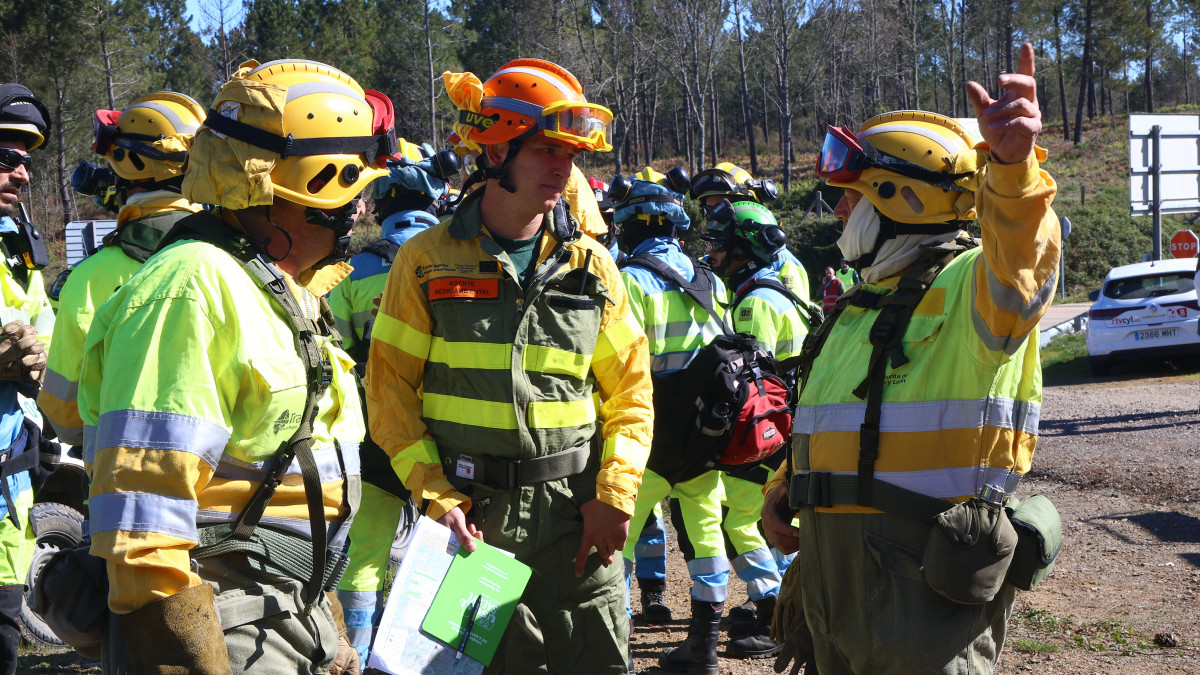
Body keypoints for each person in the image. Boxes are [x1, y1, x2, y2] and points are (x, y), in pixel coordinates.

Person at [77, 58, 397, 674]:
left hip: (283, 608)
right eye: (357, 187)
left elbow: (288, 473)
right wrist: (181, 657)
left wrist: (325, 620)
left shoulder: (278, 289)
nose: (363, 207)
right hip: (227, 617)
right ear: (315, 186)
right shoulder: (192, 286)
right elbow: (144, 509)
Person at [762, 43, 1059, 674]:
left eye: (853, 195)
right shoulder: (862, 303)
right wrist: (784, 487)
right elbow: (833, 418)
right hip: (832, 585)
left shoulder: (972, 288)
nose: (839, 210)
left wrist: (1014, 172)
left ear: (901, 198)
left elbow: (1022, 267)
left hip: (917, 599)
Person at [368, 59, 653, 673]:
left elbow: (631, 394)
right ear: (496, 150)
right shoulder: (424, 261)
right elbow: (389, 392)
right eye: (547, 149)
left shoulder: (593, 266)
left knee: (596, 660)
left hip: (575, 517)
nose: (563, 168)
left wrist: (616, 495)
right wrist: (436, 495)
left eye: (570, 154)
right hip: (473, 519)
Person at [329, 136, 455, 664]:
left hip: (376, 431)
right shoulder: (463, 261)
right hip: (457, 434)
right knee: (455, 551)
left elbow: (329, 354)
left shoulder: (349, 274)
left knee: (365, 556)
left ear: (380, 210)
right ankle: (439, 660)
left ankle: (356, 655)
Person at [612, 168, 730, 673]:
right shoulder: (710, 278)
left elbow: (619, 368)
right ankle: (703, 645)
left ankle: (614, 642)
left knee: (618, 539)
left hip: (648, 433)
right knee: (707, 536)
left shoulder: (627, 281)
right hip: (705, 432)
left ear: (629, 228)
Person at [40, 92, 206, 448]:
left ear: (127, 168)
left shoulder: (90, 278)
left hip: (119, 484)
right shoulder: (241, 257)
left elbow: (67, 417)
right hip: (242, 490)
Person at [701, 199, 813, 660]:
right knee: (777, 522)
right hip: (793, 428)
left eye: (718, 247)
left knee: (743, 522)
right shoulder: (776, 291)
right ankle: (791, 605)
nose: (710, 255)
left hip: (769, 433)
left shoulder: (753, 304)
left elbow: (753, 386)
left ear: (743, 252)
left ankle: (776, 609)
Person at [0, 83, 54, 675]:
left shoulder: (17, 249)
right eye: (5, 158)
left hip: (10, 491)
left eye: (28, 161)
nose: (22, 174)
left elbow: (47, 342)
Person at [690, 162, 809, 301]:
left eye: (720, 207)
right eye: (708, 210)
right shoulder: (713, 261)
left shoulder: (785, 266)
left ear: (748, 205)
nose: (713, 216)